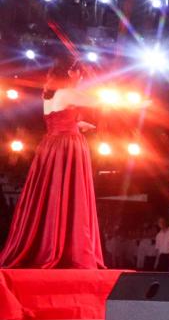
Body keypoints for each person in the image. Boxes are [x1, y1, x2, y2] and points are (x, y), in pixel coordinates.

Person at [0, 57, 105, 269]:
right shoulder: (67, 93)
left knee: (52, 194)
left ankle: (49, 244)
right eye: (79, 73)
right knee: (69, 193)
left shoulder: (50, 94)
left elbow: (58, 120)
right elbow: (98, 100)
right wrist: (95, 78)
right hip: (67, 146)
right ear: (70, 73)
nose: (81, 77)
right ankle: (66, 250)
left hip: (51, 145)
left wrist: (78, 124)